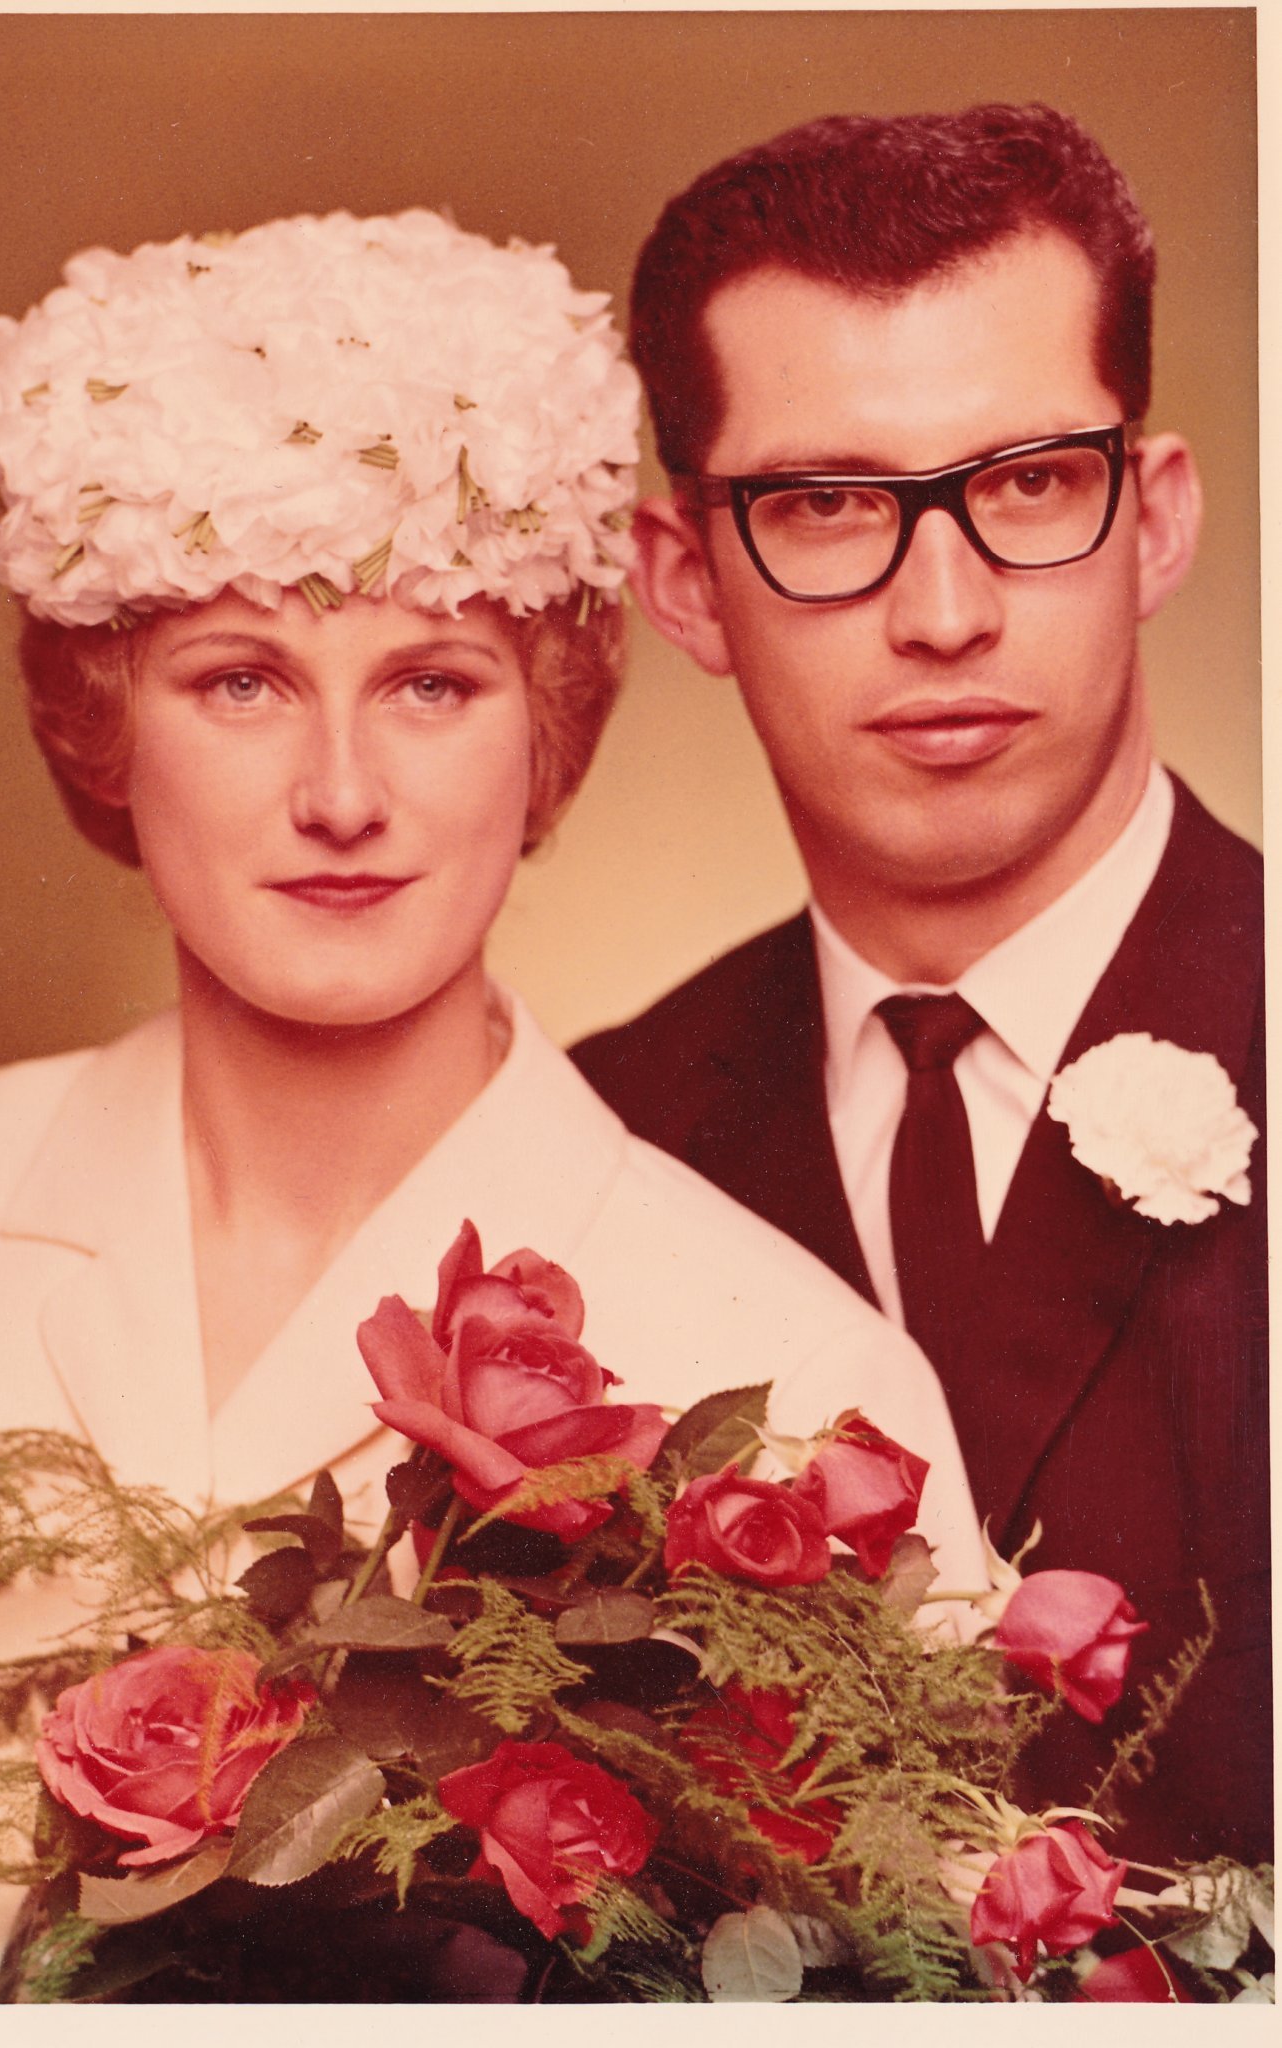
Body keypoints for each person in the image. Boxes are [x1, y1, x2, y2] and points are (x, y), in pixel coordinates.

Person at [0, 207, 982, 2000]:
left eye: (430, 683)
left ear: (547, 721)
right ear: (104, 721)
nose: (342, 795)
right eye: (240, 680)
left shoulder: (803, 1388)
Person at [572, 105, 1268, 1866]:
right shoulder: (588, 1141)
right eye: (825, 505)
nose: (944, 612)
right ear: (684, 583)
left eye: (1028, 483)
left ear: (1155, 521)